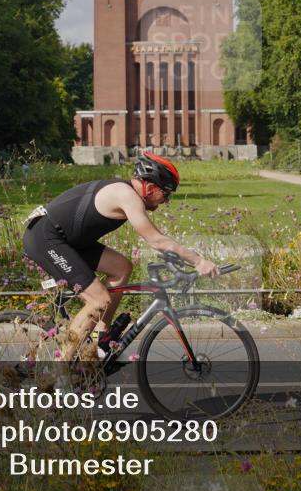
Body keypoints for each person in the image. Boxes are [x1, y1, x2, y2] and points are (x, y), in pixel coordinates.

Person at [22, 152, 219, 361]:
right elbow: (156, 239)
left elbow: (157, 240)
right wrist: (198, 261)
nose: (167, 201)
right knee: (99, 300)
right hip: (46, 238)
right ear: (151, 187)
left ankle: (99, 337)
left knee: (122, 268)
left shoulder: (127, 192)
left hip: (70, 241)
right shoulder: (126, 195)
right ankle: (60, 371)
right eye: (166, 194)